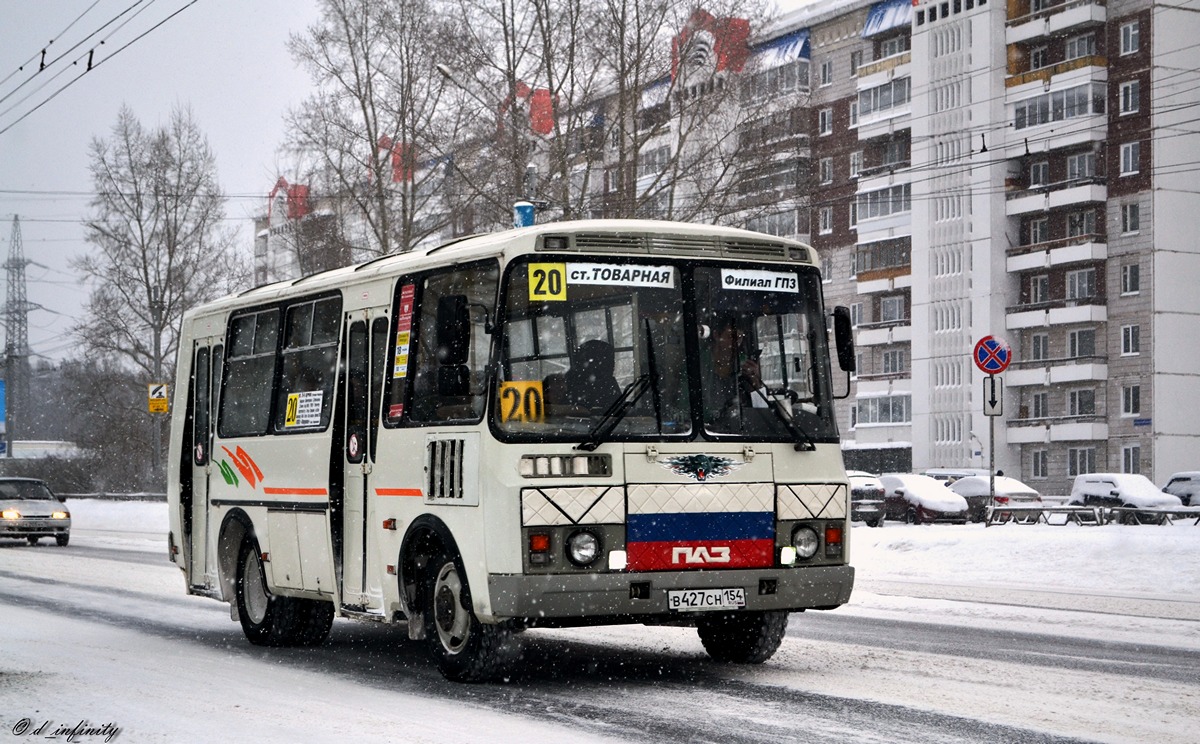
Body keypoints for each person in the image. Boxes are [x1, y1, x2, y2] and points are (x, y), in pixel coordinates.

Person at [559, 339, 623, 412]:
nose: (613, 365)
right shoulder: (575, 384)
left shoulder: (606, 381)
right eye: (608, 361)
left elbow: (618, 407)